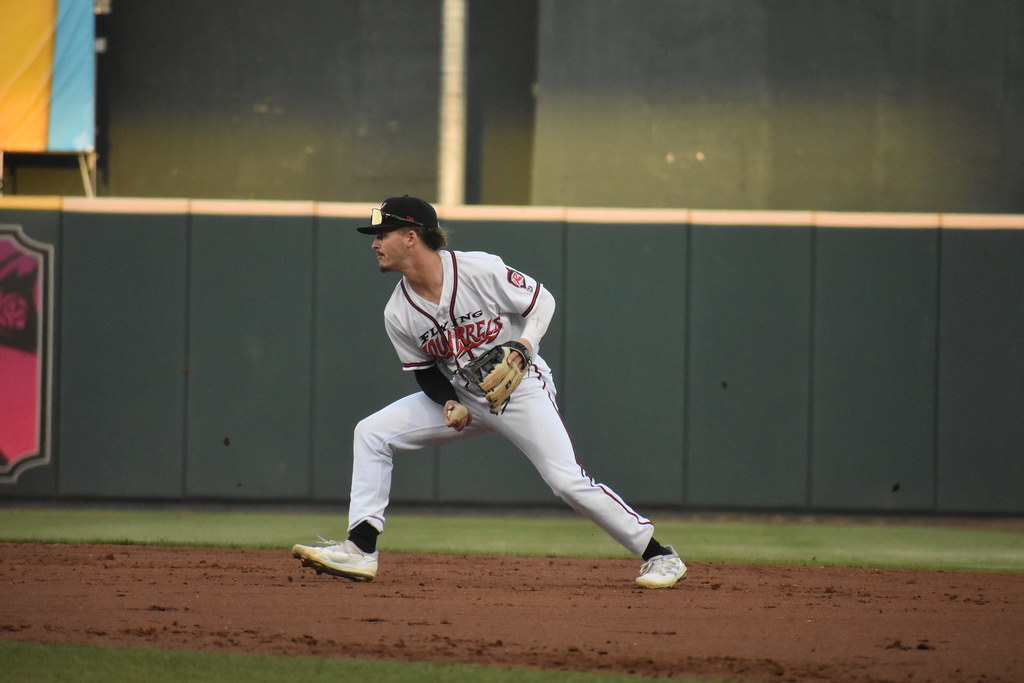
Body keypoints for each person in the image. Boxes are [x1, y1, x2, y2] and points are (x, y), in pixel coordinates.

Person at [291, 195, 686, 588]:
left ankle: (660, 556)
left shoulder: (478, 269)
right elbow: (426, 372)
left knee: (565, 480)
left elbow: (541, 301)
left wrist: (525, 346)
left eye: (383, 233)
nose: (375, 243)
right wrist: (449, 402)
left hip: (521, 389)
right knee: (372, 433)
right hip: (465, 397)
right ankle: (361, 549)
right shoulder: (398, 311)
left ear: (411, 236)